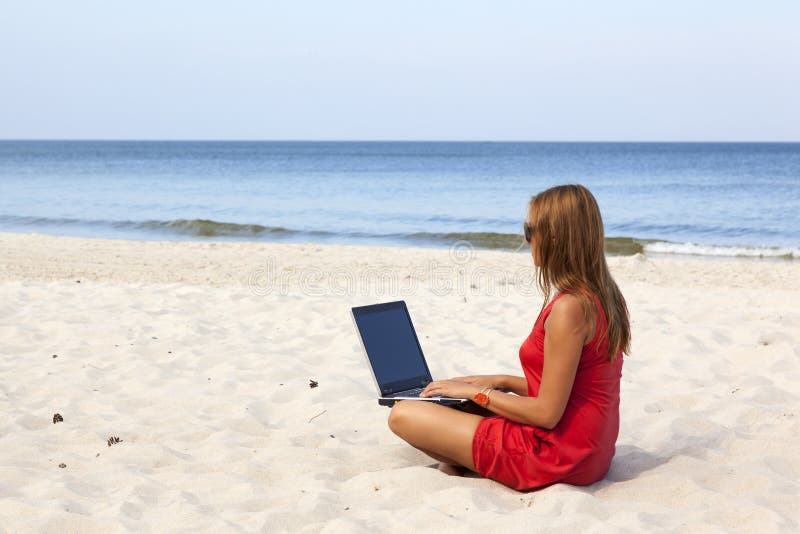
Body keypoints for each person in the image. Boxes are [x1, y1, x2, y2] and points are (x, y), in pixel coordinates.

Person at [387, 184, 631, 491]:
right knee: (456, 402)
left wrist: (480, 394)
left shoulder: (570, 308)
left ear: (554, 236)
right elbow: (573, 389)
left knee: (402, 413)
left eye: (530, 231)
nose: (527, 240)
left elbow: (546, 414)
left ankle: (458, 462)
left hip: (558, 455)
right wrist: (499, 381)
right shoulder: (605, 296)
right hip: (592, 450)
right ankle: (457, 461)